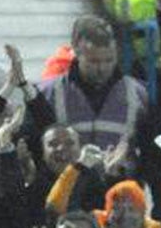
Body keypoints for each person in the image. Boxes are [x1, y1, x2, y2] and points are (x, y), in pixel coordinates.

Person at [38, 16, 148, 152]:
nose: (102, 68)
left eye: (109, 60)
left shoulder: (139, 94)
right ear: (76, 51)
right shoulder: (48, 94)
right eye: (93, 61)